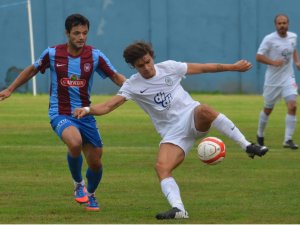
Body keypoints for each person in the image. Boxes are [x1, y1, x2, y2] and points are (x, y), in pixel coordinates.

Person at [73, 41, 268, 219]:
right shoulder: (132, 84)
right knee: (161, 168)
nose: (147, 67)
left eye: (148, 61)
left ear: (152, 56)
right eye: (141, 65)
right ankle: (179, 209)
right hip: (172, 134)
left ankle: (247, 145)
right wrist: (88, 109)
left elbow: (205, 68)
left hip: (192, 116)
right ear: (133, 66)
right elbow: (109, 106)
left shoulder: (170, 68)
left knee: (205, 109)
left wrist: (233, 67)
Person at [0, 14, 126, 211]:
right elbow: (31, 70)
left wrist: (136, 88)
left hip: (85, 114)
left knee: (96, 162)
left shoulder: (95, 55)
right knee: (74, 142)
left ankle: (91, 194)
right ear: (67, 33)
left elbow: (116, 77)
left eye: (84, 33)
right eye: (76, 33)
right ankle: (78, 184)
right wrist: (10, 89)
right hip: (60, 113)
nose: (81, 37)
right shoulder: (52, 53)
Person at [256, 14, 300, 150]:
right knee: (268, 109)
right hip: (272, 81)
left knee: (292, 106)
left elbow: (293, 50)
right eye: (280, 23)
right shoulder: (269, 39)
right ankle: (260, 134)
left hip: (288, 78)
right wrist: (273, 62)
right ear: (276, 25)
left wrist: (297, 61)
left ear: (288, 24)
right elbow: (258, 56)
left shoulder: (293, 37)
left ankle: (288, 140)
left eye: (284, 23)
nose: (282, 25)